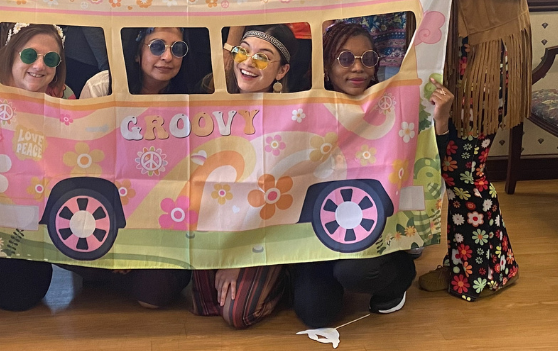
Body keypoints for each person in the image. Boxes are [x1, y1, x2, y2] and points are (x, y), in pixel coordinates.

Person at [405, 0, 552, 301]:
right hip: (449, 58)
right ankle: (482, 264)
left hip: (488, 57)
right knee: (456, 167)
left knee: (465, 171)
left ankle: (481, 273)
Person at [290, 22, 416, 327]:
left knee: (355, 272)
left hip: (370, 226)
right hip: (314, 232)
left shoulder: (392, 105)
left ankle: (397, 276)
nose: (357, 67)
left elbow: (422, 158)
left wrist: (438, 121)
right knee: (315, 314)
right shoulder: (301, 107)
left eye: (367, 58)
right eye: (345, 59)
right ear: (326, 66)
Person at [0, 24, 69, 316]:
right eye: (30, 55)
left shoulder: (64, 103)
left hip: (25, 233)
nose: (40, 65)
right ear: (11, 54)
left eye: (51, 60)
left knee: (21, 296)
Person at [75, 27, 191, 307]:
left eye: (177, 49)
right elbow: (81, 162)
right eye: (156, 46)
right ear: (138, 54)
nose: (166, 57)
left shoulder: (192, 98)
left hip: (159, 220)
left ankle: (116, 273)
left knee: (155, 297)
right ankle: (107, 270)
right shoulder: (102, 87)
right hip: (106, 211)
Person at [192, 25, 296, 329]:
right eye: (243, 51)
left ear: (282, 71)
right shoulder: (210, 102)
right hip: (214, 224)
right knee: (206, 305)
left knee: (237, 314)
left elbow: (280, 204)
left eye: (263, 58)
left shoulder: (291, 116)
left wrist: (238, 259)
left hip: (265, 233)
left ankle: (286, 280)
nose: (248, 62)